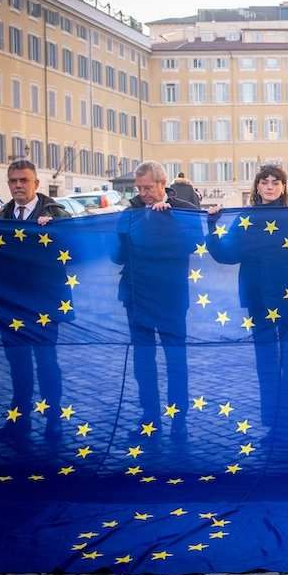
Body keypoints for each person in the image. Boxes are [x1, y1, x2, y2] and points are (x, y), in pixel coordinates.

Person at [206, 165, 288, 440]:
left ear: (283, 187)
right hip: (259, 299)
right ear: (256, 187)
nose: (269, 186)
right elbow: (226, 254)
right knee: (266, 360)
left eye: (275, 182)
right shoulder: (246, 218)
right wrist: (211, 226)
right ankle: (274, 422)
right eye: (264, 182)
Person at [0, 159, 72, 442]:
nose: (18, 186)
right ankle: (19, 420)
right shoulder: (1, 216)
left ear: (36, 183)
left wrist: (54, 229)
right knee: (18, 365)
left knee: (47, 362)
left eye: (23, 180)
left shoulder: (54, 212)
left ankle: (53, 421)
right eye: (13, 181)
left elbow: (73, 246)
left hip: (44, 305)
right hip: (9, 304)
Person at [113, 161, 202, 441]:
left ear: (163, 184)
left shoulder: (184, 211)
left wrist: (166, 220)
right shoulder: (130, 213)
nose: (143, 193)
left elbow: (195, 245)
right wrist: (127, 226)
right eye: (139, 188)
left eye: (148, 188)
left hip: (170, 296)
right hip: (136, 295)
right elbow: (117, 256)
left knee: (175, 359)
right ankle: (149, 418)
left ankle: (179, 420)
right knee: (143, 361)